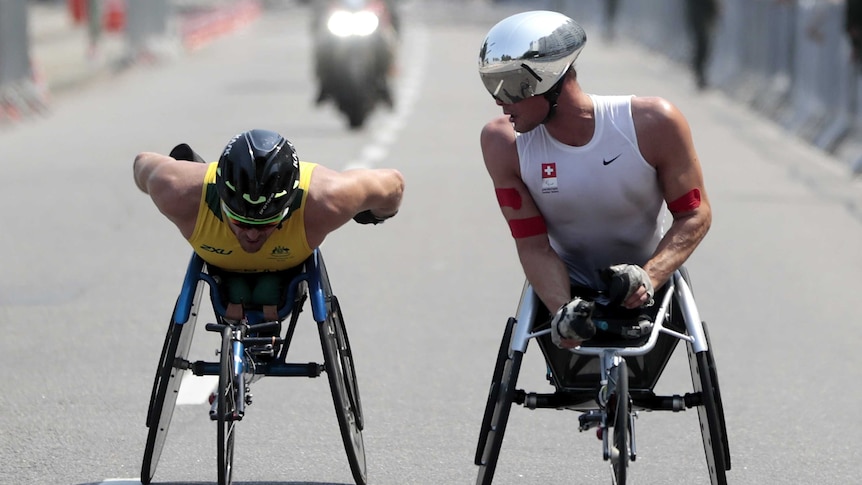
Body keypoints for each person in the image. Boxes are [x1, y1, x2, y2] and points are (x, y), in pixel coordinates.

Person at [477, 11, 712, 349]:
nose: (499, 100)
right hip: (566, 287)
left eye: (511, 86)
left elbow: (694, 214)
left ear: (551, 79)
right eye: (491, 84)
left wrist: (650, 276)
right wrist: (563, 310)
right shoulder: (503, 144)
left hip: (647, 279)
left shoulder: (654, 123)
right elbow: (533, 244)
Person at [133, 129, 404, 323]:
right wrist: (376, 213)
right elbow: (142, 163)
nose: (251, 234)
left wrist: (370, 213)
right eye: (240, 222)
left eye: (266, 224)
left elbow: (394, 183)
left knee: (265, 290)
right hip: (233, 260)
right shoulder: (175, 189)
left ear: (288, 206)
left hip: (284, 267)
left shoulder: (329, 199)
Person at [685, 0, 721, 89]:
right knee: (702, 45)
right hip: (699, 15)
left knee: (705, 47)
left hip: (706, 15)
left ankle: (699, 72)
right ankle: (699, 72)